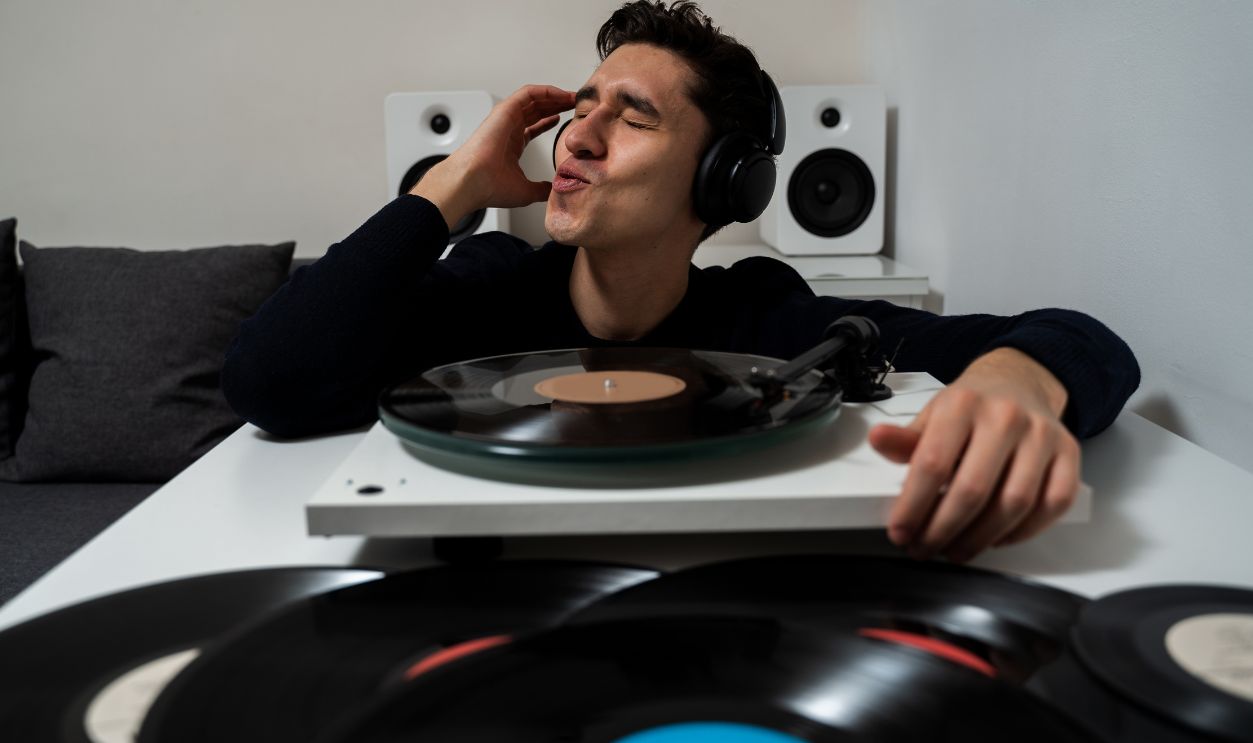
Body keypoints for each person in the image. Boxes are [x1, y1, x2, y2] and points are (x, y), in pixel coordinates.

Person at [222, 1, 1139, 563]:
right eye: (580, 109)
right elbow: (268, 381)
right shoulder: (488, 285)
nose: (578, 134)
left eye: (632, 117)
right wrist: (454, 186)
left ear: (720, 182)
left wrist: (1013, 382)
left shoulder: (762, 316)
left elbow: (1082, 341)